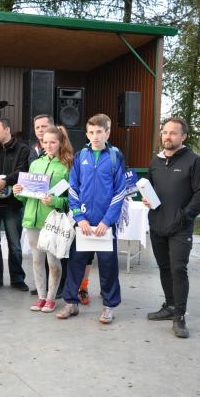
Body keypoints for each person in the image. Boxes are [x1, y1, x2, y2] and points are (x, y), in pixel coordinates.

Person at [56, 114, 126, 324]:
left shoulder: (115, 157)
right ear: (87, 134)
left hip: (105, 225)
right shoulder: (80, 156)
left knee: (108, 266)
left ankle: (109, 306)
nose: (95, 136)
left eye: (99, 132)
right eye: (91, 132)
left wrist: (107, 221)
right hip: (84, 224)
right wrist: (80, 218)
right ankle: (71, 303)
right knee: (75, 264)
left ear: (107, 133)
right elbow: (73, 189)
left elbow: (120, 191)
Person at [144, 117, 200, 338]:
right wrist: (147, 199)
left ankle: (179, 316)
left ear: (183, 136)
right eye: (165, 132)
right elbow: (151, 188)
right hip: (157, 225)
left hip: (181, 228)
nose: (167, 136)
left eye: (173, 133)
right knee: (164, 268)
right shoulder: (155, 162)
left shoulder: (194, 161)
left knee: (178, 269)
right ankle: (170, 306)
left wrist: (184, 216)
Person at [14, 126, 72, 312]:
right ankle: (41, 297)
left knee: (53, 262)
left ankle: (51, 298)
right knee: (37, 260)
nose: (48, 145)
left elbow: (71, 199)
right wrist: (18, 192)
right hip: (32, 220)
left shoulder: (67, 166)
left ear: (61, 143)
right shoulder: (35, 164)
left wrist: (55, 201)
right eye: (45, 142)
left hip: (52, 222)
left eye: (53, 142)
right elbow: (26, 197)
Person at [0, 118, 30, 291]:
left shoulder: (23, 150)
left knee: (15, 246)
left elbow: (23, 171)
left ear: (7, 129)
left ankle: (17, 279)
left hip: (13, 205)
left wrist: (6, 181)